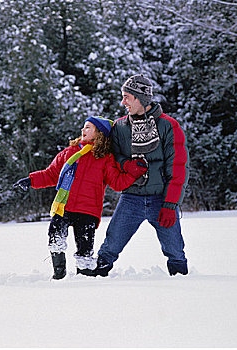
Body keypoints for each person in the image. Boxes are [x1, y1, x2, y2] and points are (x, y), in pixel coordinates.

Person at [13, 116, 148, 279]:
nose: (83, 130)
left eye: (88, 127)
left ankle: (84, 277)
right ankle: (59, 273)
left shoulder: (105, 158)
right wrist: (31, 180)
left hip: (88, 210)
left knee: (85, 249)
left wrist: (133, 173)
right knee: (55, 237)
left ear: (99, 133)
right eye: (83, 127)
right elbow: (51, 174)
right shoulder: (70, 152)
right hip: (64, 206)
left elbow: (117, 183)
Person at [94, 74, 190, 277]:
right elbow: (114, 156)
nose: (123, 102)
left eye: (127, 97)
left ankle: (183, 283)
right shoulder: (119, 127)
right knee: (110, 246)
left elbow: (179, 168)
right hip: (131, 199)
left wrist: (170, 204)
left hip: (161, 200)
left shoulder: (168, 126)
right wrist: (127, 165)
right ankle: (93, 283)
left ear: (141, 98)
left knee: (175, 251)